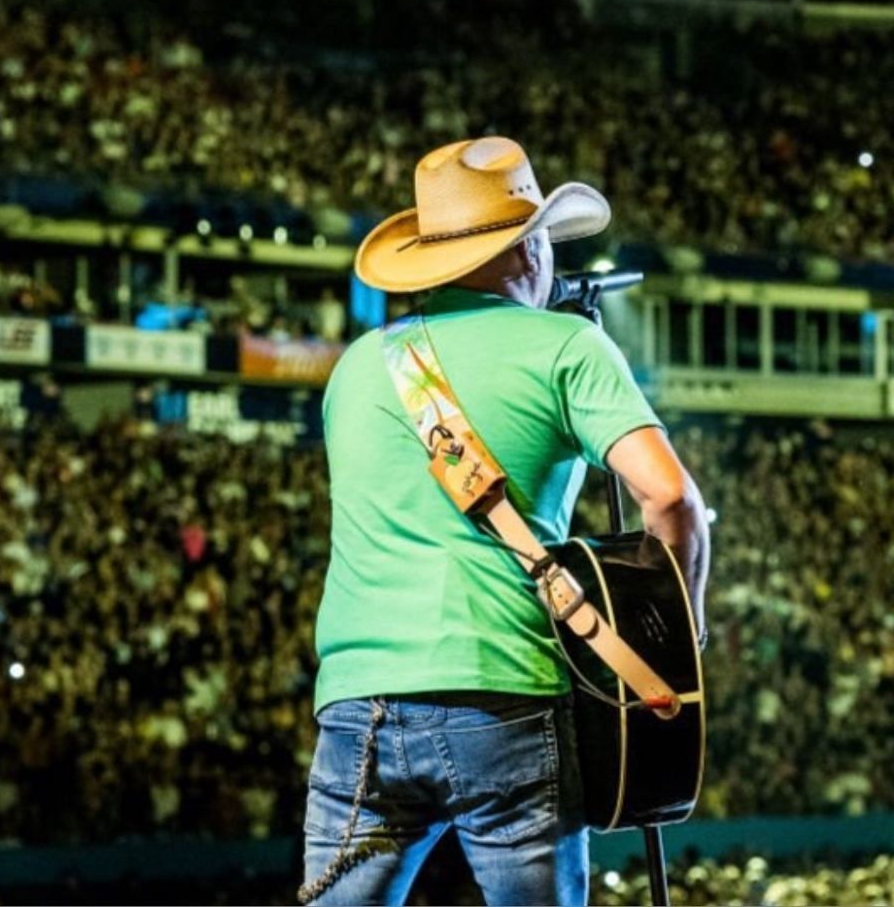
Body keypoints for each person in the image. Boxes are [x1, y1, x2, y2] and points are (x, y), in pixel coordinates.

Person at [300, 137, 712, 906]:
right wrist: (682, 629)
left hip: (359, 703)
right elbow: (672, 500)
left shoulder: (356, 365)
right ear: (527, 249)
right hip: (506, 695)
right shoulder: (567, 345)